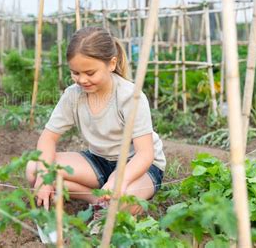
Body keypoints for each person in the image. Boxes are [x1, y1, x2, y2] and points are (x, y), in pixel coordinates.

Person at [26, 27, 166, 215]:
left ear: (111, 64)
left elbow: (145, 154)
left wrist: (118, 180)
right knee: (34, 169)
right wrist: (44, 176)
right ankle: (96, 198)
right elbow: (47, 139)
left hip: (138, 166)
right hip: (99, 161)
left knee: (122, 204)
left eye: (90, 73)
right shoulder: (73, 96)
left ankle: (107, 200)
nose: (82, 80)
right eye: (75, 73)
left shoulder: (130, 97)